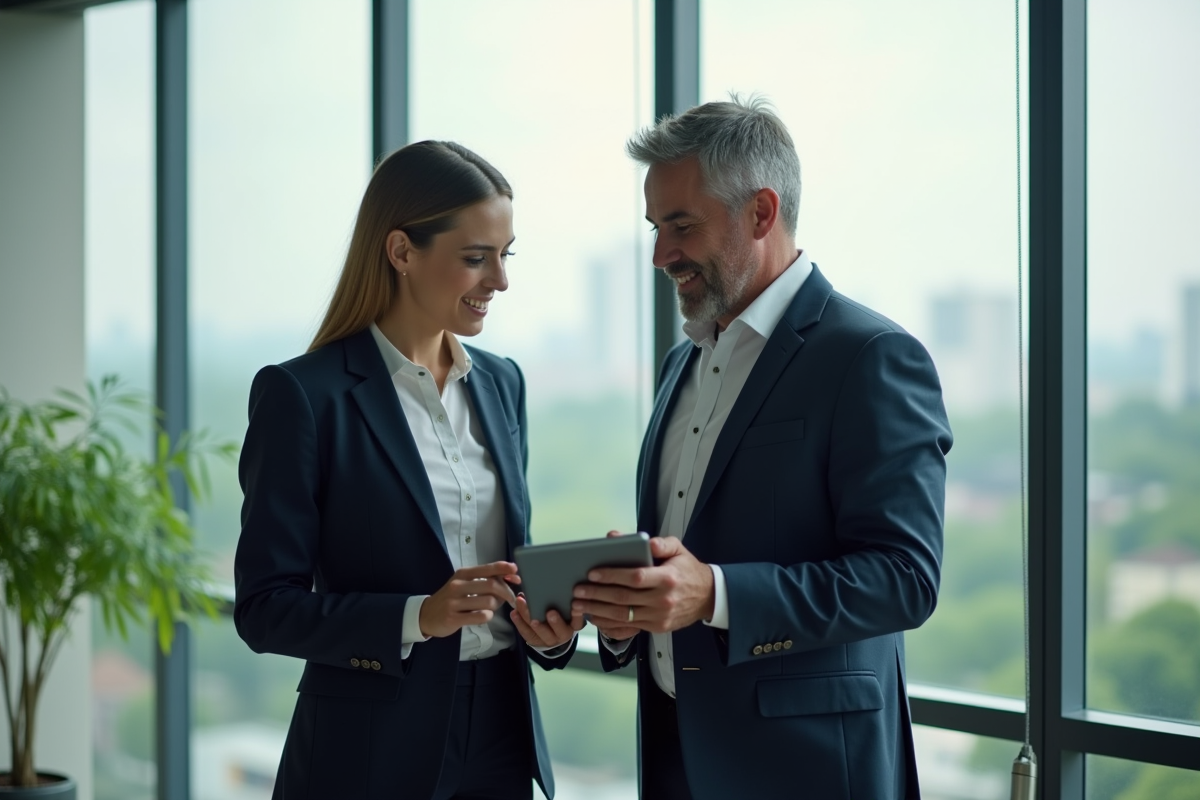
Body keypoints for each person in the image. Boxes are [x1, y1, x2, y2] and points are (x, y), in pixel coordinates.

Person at [571, 96, 953, 799]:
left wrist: (713, 594)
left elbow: (905, 578)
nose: (660, 255)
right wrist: (631, 604)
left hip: (807, 770)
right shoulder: (680, 364)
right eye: (655, 228)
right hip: (675, 763)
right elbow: (683, 564)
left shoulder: (869, 356)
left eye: (680, 226)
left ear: (761, 213)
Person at [233, 140, 581, 800]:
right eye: (476, 258)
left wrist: (550, 631)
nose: (500, 281)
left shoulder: (502, 385)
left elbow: (509, 566)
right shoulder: (304, 397)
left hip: (503, 738)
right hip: (367, 748)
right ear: (400, 252)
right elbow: (264, 609)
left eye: (505, 256)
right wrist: (420, 616)